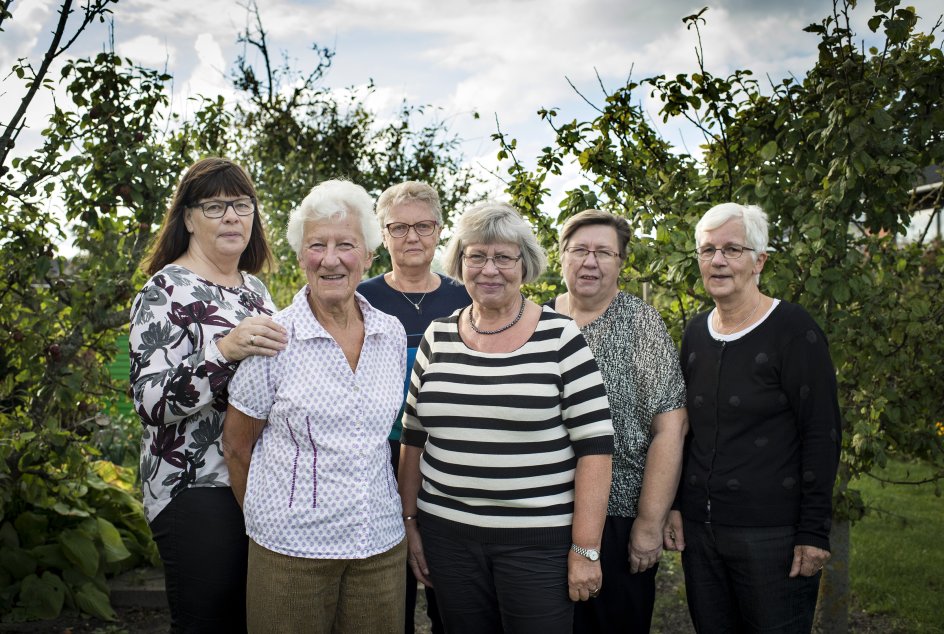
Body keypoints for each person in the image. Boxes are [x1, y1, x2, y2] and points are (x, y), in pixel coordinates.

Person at [398, 200, 615, 634]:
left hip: (538, 547)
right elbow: (413, 438)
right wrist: (410, 524)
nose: (489, 269)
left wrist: (586, 549)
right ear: (460, 262)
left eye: (503, 257)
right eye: (476, 255)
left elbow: (595, 448)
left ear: (525, 264)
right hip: (447, 539)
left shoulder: (560, 336)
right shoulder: (437, 336)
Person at [222, 179, 407, 633]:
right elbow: (237, 446)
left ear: (367, 255)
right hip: (290, 553)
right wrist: (272, 519)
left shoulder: (391, 333)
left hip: (379, 547)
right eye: (316, 245)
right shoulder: (274, 339)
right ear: (301, 255)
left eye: (345, 245)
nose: (330, 259)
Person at [666, 202, 842, 633]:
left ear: (759, 261)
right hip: (701, 535)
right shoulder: (695, 333)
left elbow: (822, 433)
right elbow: (685, 430)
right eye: (708, 250)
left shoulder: (793, 330)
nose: (718, 260)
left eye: (732, 249)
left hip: (773, 536)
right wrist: (673, 506)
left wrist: (814, 532)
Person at [129, 157, 288, 632]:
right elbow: (149, 402)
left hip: (254, 481)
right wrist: (225, 350)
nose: (232, 217)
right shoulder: (165, 291)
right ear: (188, 218)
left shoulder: (255, 290)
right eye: (216, 206)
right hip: (194, 487)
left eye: (242, 205)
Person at [547, 209, 688, 633]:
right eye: (580, 250)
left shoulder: (640, 323)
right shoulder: (537, 322)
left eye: (604, 253)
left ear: (621, 263)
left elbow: (671, 427)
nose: (590, 262)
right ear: (562, 257)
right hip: (544, 516)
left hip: (619, 515)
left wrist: (649, 523)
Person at [358, 181, 469, 634]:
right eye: (399, 227)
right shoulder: (361, 297)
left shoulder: (464, 296)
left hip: (450, 458)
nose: (412, 237)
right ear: (382, 234)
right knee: (389, 591)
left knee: (453, 592)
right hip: (378, 458)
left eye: (423, 225)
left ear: (439, 229)